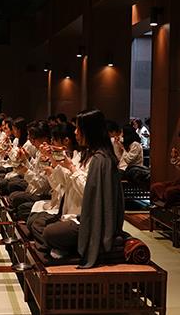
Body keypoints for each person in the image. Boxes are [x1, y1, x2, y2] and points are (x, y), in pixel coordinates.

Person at [40, 109, 124, 267]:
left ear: (90, 131)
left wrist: (71, 168)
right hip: (73, 215)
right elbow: (65, 183)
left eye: (79, 128)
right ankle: (64, 246)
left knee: (49, 232)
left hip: (90, 221)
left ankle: (69, 248)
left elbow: (90, 195)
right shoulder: (86, 154)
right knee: (39, 224)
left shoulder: (102, 159)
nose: (75, 132)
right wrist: (56, 161)